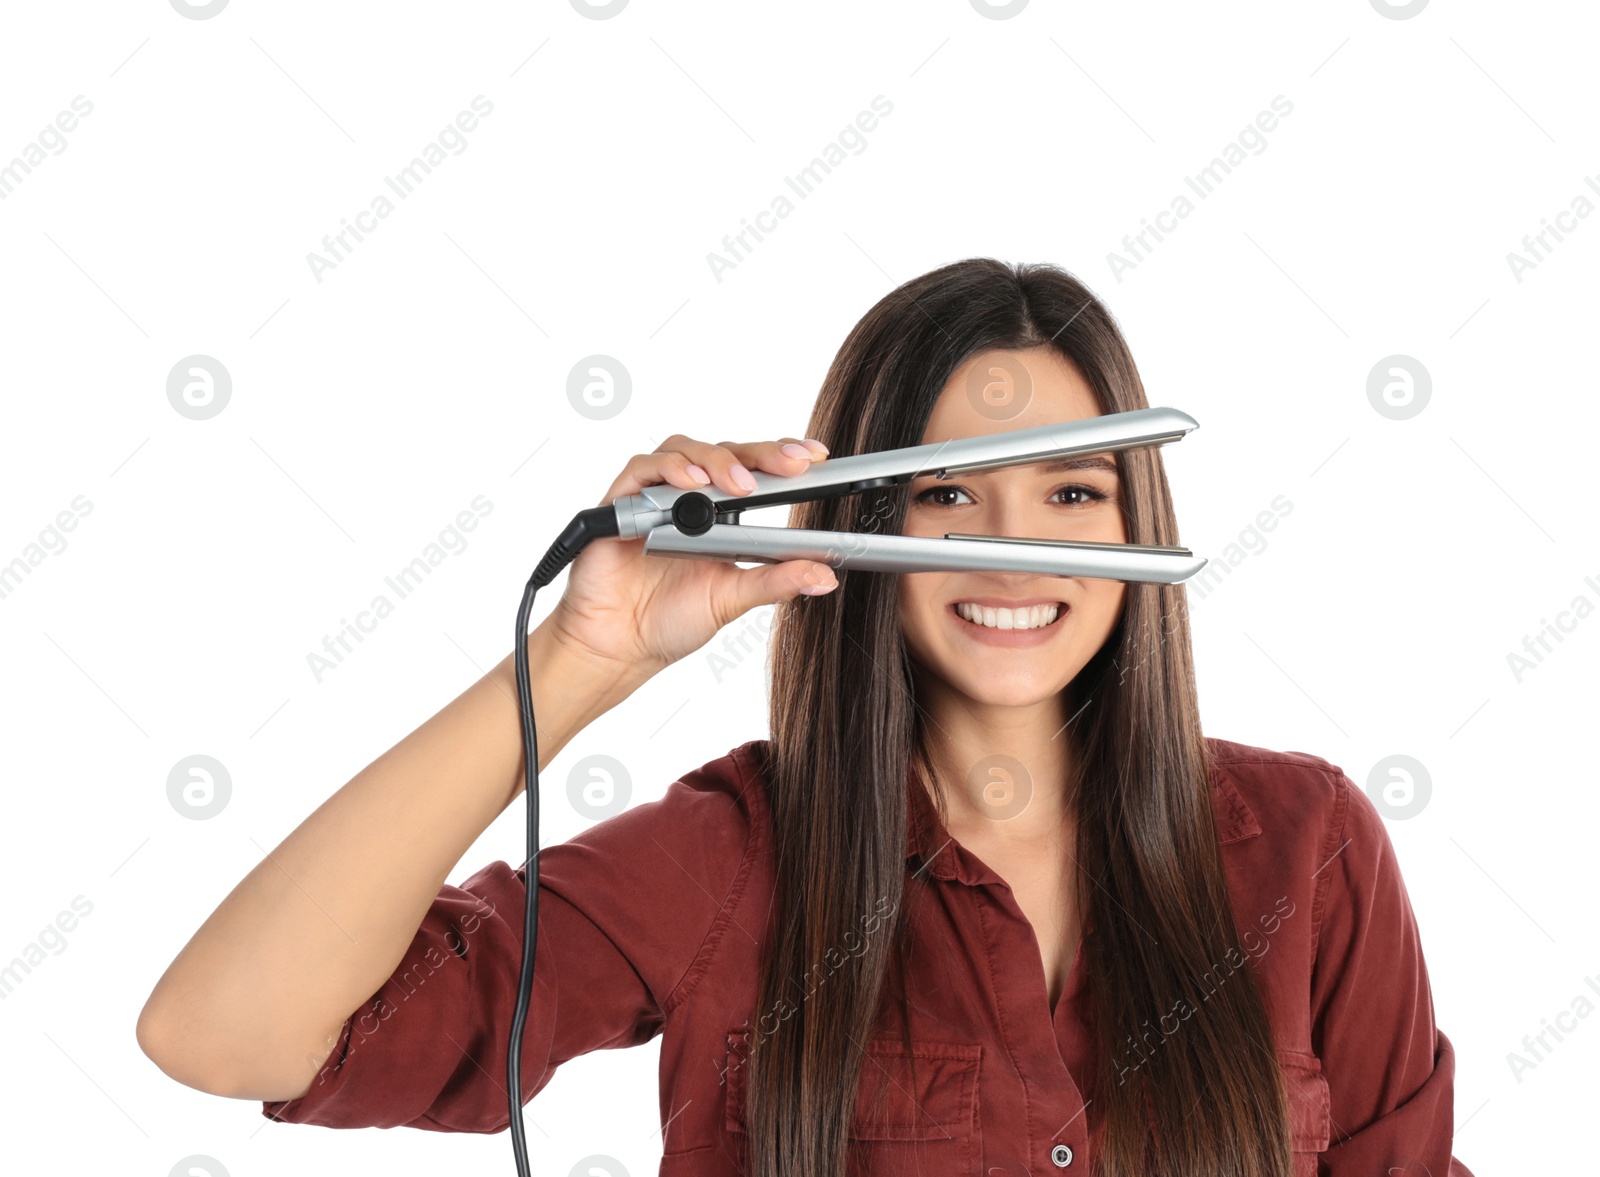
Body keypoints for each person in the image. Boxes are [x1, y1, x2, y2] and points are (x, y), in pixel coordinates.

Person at [136, 258, 1474, 1177]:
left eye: (1072, 494)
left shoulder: (1311, 845)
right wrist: (579, 658)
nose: (1013, 551)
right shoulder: (733, 858)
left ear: (1138, 522)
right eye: (950, 495)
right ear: (863, 522)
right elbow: (229, 1031)